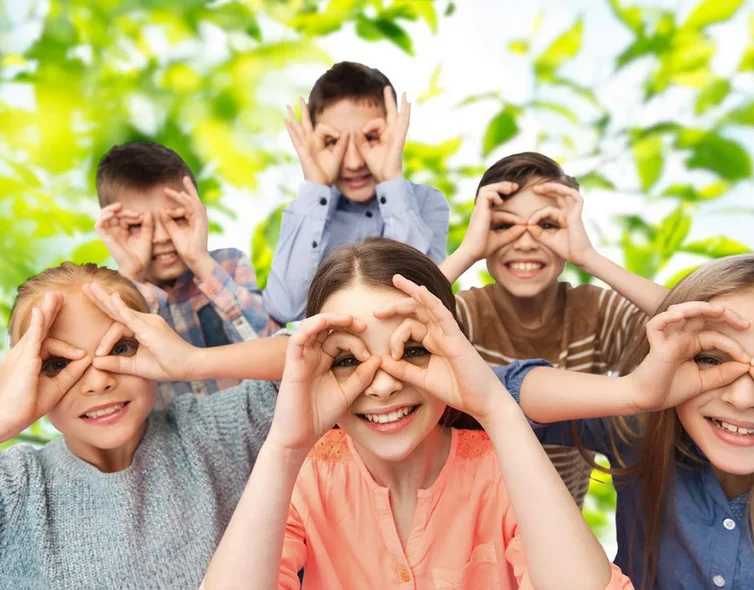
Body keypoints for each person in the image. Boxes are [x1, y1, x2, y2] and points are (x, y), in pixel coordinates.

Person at [202, 238, 633, 590]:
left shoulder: (501, 469)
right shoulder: (308, 475)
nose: (384, 384)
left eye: (412, 351)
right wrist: (284, 447)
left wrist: (497, 408)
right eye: (348, 359)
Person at [506, 253, 754, 589]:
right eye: (711, 359)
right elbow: (481, 394)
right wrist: (631, 392)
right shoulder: (641, 427)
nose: (742, 399)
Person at [0, 262, 287, 588]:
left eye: (121, 348)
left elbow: (329, 355)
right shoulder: (16, 488)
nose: (98, 382)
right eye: (58, 364)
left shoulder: (211, 433)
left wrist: (194, 361)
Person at [439, 151, 668, 506]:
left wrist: (589, 257)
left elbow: (699, 322)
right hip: (469, 521)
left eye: (547, 225)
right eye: (503, 225)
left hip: (561, 524)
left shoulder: (594, 313)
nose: (526, 241)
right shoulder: (465, 315)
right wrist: (467, 251)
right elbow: (387, 324)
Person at [266, 62, 450, 325]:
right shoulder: (307, 211)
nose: (353, 162)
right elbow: (285, 309)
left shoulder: (427, 202)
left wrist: (390, 178)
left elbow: (418, 301)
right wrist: (315, 183)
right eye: (332, 142)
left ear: (396, 132)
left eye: (371, 137)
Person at [95, 141, 277, 405]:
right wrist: (131, 277)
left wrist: (200, 261)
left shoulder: (228, 265)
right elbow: (112, 379)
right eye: (136, 225)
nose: (160, 237)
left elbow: (275, 347)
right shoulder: (109, 299)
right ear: (111, 230)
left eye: (177, 219)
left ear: (199, 214)